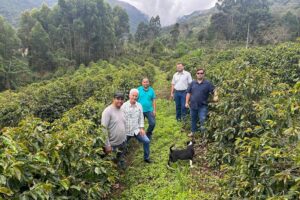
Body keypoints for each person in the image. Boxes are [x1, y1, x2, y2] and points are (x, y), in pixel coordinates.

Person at [121, 89, 152, 163]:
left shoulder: (139, 105)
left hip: (136, 130)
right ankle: (121, 163)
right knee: (122, 147)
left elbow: (141, 117)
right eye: (133, 95)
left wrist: (141, 128)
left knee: (146, 141)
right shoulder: (124, 106)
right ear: (129, 95)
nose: (134, 97)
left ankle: (146, 158)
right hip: (126, 131)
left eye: (136, 96)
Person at [185, 68, 217, 137]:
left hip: (202, 106)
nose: (200, 74)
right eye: (198, 73)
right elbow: (188, 93)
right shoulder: (192, 83)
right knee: (193, 119)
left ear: (204, 74)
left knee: (203, 120)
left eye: (201, 73)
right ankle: (193, 132)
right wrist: (186, 102)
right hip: (193, 105)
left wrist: (216, 96)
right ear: (196, 74)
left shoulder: (207, 83)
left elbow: (214, 90)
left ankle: (204, 135)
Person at [101, 92, 127, 169]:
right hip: (113, 145)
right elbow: (103, 129)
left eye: (122, 99)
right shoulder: (107, 111)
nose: (120, 101)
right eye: (118, 99)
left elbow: (123, 124)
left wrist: (125, 137)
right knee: (111, 166)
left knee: (121, 160)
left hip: (122, 142)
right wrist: (107, 145)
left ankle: (122, 174)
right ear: (113, 99)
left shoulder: (122, 109)